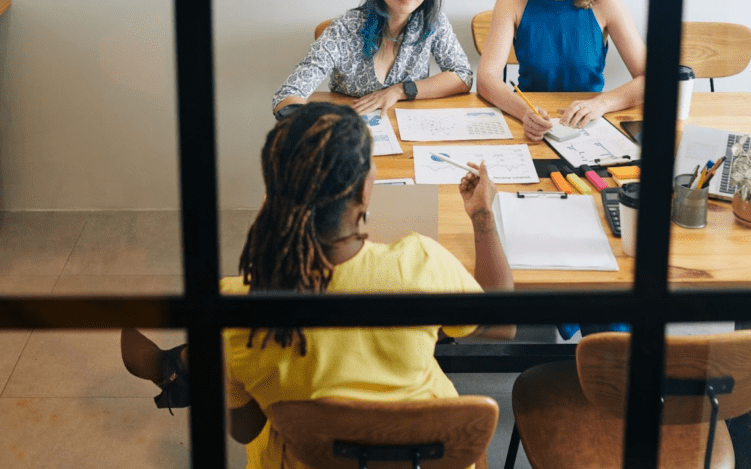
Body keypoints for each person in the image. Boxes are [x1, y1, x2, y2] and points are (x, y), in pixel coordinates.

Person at [121, 102, 514, 468]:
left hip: (305, 459)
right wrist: (482, 216)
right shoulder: (421, 266)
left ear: (272, 197)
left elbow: (244, 429)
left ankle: (182, 370)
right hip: (420, 456)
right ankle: (182, 368)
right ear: (364, 190)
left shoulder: (239, 304)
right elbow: (503, 325)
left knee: (229, 353)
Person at [477, 0, 647, 141]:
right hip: (532, 123)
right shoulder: (511, 0)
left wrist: (601, 104)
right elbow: (486, 79)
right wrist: (525, 113)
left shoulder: (606, 1)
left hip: (588, 127)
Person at [272, 0, 473, 118]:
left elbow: (462, 76)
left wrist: (399, 91)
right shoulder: (345, 30)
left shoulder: (432, 21)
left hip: (407, 132)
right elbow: (288, 96)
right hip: (353, 134)